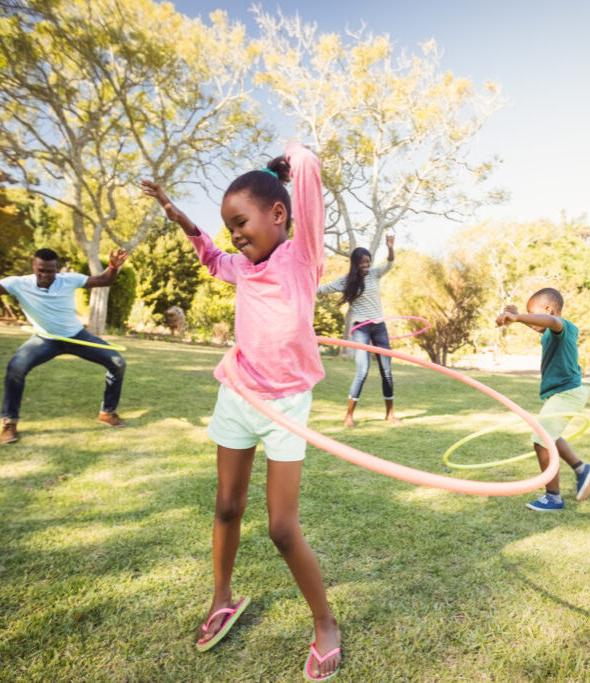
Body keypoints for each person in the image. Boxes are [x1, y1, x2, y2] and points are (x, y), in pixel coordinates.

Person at [141, 142, 341, 681]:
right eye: (230, 226)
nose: (235, 234)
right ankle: (222, 597)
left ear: (278, 214)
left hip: (286, 402)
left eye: (241, 222)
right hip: (238, 393)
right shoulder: (241, 268)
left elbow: (309, 191)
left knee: (281, 527)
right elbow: (207, 255)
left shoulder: (303, 258)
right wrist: (175, 213)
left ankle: (325, 623)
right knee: (226, 505)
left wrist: (295, 156)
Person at [0, 248, 129, 444]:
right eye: (41, 270)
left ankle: (107, 413)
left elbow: (104, 280)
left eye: (51, 271)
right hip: (44, 339)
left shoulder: (69, 280)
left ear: (57, 269)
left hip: (76, 335)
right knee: (15, 368)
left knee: (117, 362)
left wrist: (113, 265)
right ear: (33, 267)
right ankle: (9, 423)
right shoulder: (19, 284)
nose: (46, 275)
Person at [496, 287, 590, 511]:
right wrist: (519, 318)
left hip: (568, 393)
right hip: (564, 393)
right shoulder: (550, 333)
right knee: (550, 434)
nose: (531, 319)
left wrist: (519, 316)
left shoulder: (563, 327)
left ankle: (553, 497)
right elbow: (541, 324)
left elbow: (550, 321)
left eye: (534, 313)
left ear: (549, 310)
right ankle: (581, 469)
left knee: (541, 439)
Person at [317, 235, 400, 427]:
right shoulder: (346, 281)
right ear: (356, 263)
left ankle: (390, 414)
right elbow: (321, 289)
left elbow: (390, 264)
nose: (366, 265)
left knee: (386, 371)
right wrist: (302, 283)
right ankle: (349, 416)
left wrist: (390, 248)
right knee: (362, 370)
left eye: (368, 262)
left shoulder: (374, 274)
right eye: (363, 262)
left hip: (379, 327)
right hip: (360, 328)